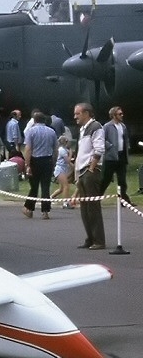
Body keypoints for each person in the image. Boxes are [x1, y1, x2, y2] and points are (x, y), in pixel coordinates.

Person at [72, 102, 106, 250]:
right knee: (84, 208)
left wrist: (92, 168)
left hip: (89, 171)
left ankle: (99, 240)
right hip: (82, 171)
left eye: (77, 113)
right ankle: (90, 238)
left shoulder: (96, 127)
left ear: (86, 113)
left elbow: (99, 149)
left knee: (93, 208)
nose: (75, 117)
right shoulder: (82, 129)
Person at [21, 110, 58, 219]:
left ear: (34, 120)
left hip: (35, 160)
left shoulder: (31, 132)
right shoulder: (51, 131)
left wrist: (27, 164)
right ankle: (45, 211)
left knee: (34, 186)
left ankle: (29, 208)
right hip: (47, 160)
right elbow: (55, 149)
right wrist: (54, 162)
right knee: (46, 186)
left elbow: (28, 149)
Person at [100, 106, 135, 205]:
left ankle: (124, 200)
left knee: (122, 180)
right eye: (120, 114)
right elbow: (102, 138)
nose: (122, 115)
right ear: (114, 115)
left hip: (121, 156)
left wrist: (126, 147)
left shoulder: (123, 126)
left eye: (122, 114)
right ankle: (97, 198)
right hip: (110, 157)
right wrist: (110, 146)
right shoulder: (107, 126)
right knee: (105, 179)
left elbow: (125, 138)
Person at [50, 133, 73, 208]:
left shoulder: (64, 150)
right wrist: (71, 154)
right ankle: (65, 203)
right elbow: (67, 161)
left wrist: (74, 167)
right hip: (60, 169)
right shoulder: (62, 150)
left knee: (61, 188)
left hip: (63, 169)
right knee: (66, 186)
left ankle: (50, 198)